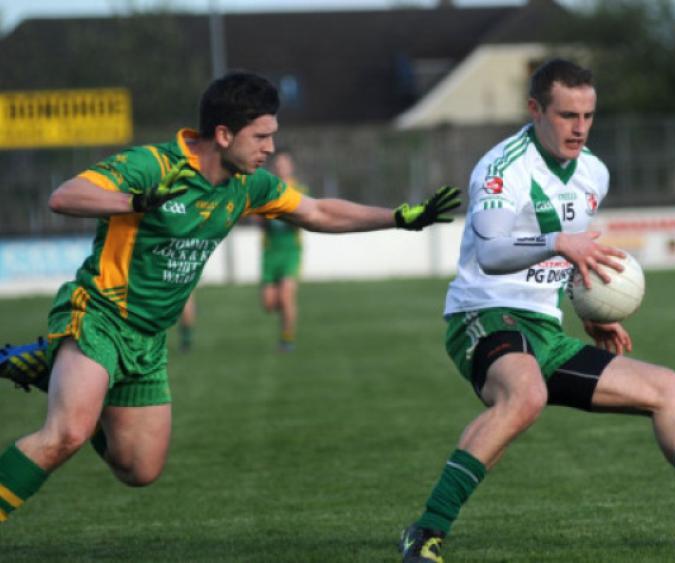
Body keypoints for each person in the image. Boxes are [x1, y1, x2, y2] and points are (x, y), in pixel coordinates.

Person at [0, 70, 461, 523]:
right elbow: (65, 196)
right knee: (66, 434)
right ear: (223, 134)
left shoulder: (248, 185)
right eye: (261, 136)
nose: (271, 148)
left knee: (140, 469)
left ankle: (50, 368)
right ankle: (67, 370)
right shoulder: (154, 166)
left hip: (149, 340)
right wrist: (134, 202)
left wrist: (399, 217)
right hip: (99, 315)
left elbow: (318, 211)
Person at [398, 59, 675, 563]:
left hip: (544, 328)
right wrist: (557, 241)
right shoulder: (501, 170)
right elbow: (495, 254)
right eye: (567, 115)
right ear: (535, 110)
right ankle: (425, 531)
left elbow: (566, 254)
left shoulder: (594, 173)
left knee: (672, 390)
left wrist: (583, 304)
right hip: (485, 315)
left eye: (588, 115)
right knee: (525, 395)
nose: (580, 128)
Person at [259, 149, 308, 352]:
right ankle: (284, 310)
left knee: (287, 297)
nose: (281, 167)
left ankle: (287, 338)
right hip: (270, 251)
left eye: (284, 163)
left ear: (291, 166)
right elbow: (258, 218)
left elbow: (306, 217)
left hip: (290, 249)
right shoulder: (265, 189)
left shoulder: (300, 190)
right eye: (277, 164)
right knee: (269, 304)